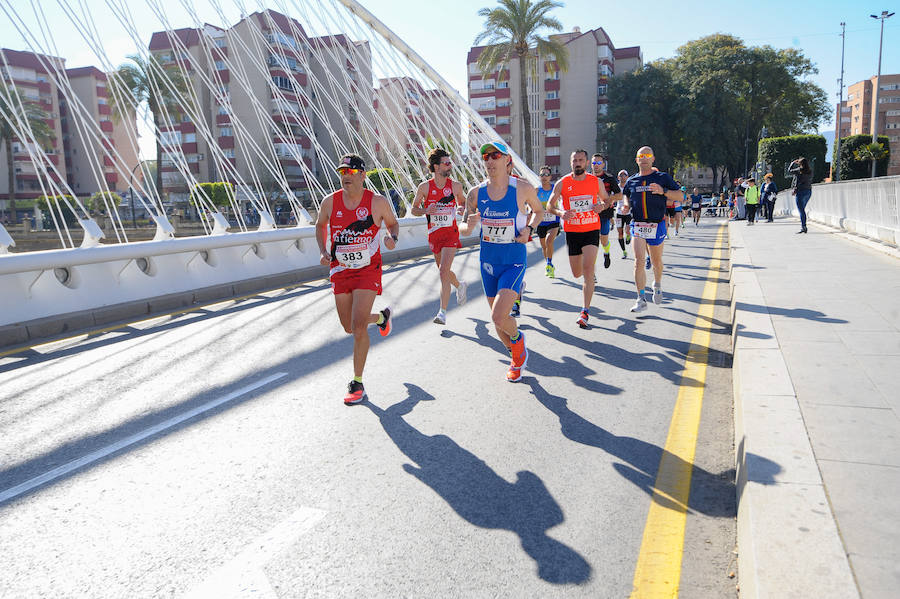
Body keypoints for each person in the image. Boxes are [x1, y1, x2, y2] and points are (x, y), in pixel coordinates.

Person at [316, 154, 400, 404]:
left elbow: (393, 225)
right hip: (340, 268)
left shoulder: (377, 202)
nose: (345, 176)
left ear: (363, 175)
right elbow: (320, 225)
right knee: (349, 326)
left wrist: (392, 239)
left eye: (351, 172)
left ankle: (357, 383)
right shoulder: (330, 202)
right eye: (342, 172)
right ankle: (383, 317)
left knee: (359, 326)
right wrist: (323, 251)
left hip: (368, 269)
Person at [458, 141, 543, 383]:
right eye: (485, 156)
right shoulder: (476, 193)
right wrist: (469, 225)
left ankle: (518, 344)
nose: (489, 160)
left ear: (507, 160)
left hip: (513, 260)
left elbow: (538, 211)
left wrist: (529, 229)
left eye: (495, 155)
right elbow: (463, 227)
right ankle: (516, 354)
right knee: (499, 322)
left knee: (498, 317)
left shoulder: (522, 188)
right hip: (488, 262)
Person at [547, 149, 610, 329]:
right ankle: (587, 275)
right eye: (575, 160)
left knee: (588, 269)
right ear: (571, 163)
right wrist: (561, 212)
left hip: (591, 229)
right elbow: (550, 205)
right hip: (572, 232)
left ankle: (585, 311)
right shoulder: (563, 183)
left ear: (587, 163)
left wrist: (601, 207)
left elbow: (606, 201)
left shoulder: (595, 181)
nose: (578, 163)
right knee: (577, 273)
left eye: (581, 160)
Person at [411, 148, 468, 325]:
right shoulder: (425, 187)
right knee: (444, 271)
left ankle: (442, 312)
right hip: (434, 236)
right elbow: (414, 210)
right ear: (436, 167)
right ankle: (459, 285)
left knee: (443, 271)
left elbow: (464, 203)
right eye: (446, 163)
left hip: (450, 235)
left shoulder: (455, 186)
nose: (450, 165)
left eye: (450, 162)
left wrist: (461, 209)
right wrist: (425, 210)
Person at [621, 146, 682, 313]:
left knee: (656, 262)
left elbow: (680, 196)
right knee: (639, 261)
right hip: (638, 224)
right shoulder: (632, 180)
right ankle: (641, 298)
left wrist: (664, 191)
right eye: (641, 155)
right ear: (637, 159)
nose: (644, 158)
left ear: (653, 159)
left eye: (648, 155)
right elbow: (625, 193)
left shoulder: (662, 177)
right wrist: (626, 205)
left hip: (657, 224)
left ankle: (657, 283)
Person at [590, 153, 620, 268]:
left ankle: (606, 253)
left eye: (598, 163)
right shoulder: (586, 178)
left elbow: (619, 195)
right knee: (592, 244)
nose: (596, 165)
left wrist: (608, 199)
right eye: (593, 163)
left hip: (605, 214)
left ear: (603, 164)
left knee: (603, 240)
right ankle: (591, 272)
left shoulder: (609, 178)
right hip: (590, 215)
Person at [534, 165, 560, 278]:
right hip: (541, 221)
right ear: (539, 177)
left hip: (554, 220)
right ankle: (548, 264)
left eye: (546, 174)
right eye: (542, 175)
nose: (544, 177)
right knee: (544, 246)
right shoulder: (536, 190)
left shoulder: (556, 188)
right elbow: (530, 204)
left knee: (549, 241)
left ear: (550, 176)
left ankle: (549, 264)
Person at [789, 157, 812, 234]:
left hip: (800, 192)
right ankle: (803, 225)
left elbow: (789, 170)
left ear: (800, 163)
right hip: (808, 191)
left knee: (801, 210)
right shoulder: (810, 171)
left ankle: (804, 227)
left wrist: (792, 163)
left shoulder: (799, 170)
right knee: (802, 210)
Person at [615, 169, 632, 258]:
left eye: (624, 175)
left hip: (628, 213)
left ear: (627, 177)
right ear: (618, 177)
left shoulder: (629, 187)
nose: (622, 177)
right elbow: (613, 198)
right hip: (619, 213)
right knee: (620, 233)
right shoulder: (616, 188)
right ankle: (624, 251)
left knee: (627, 230)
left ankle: (628, 235)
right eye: (621, 175)